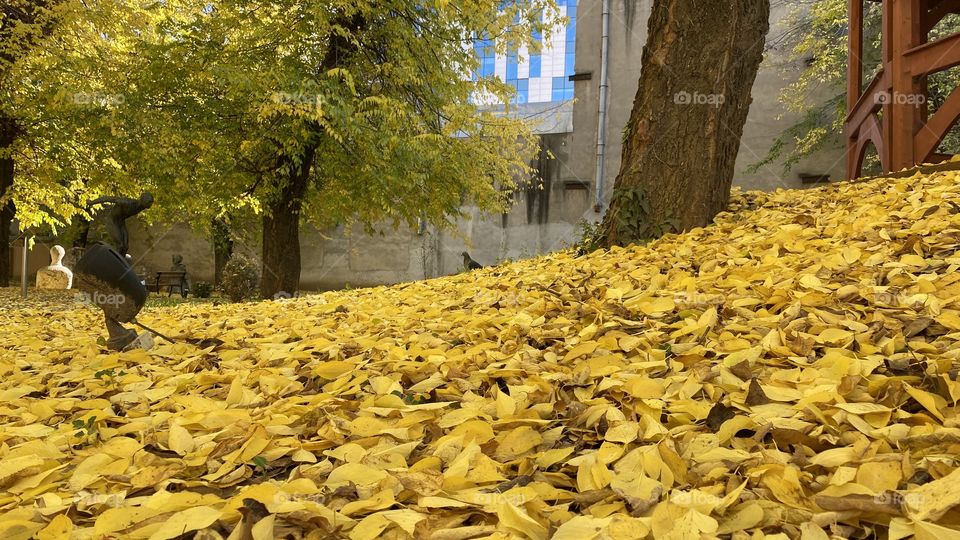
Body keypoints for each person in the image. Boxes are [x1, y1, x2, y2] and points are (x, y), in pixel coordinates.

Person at [87, 192, 154, 256]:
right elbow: (109, 198)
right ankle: (113, 263)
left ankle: (121, 262)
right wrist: (92, 202)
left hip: (121, 222)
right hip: (112, 221)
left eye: (151, 202)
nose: (151, 204)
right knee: (120, 245)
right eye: (149, 202)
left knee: (126, 247)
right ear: (143, 200)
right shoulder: (128, 203)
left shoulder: (141, 207)